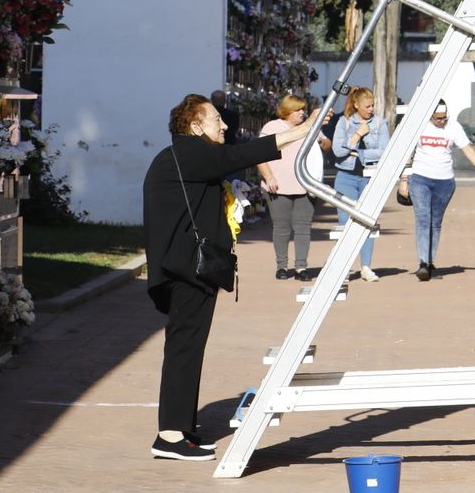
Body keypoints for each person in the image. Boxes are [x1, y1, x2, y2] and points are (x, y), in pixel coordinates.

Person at [142, 93, 313, 462]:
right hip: (184, 270)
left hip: (189, 268)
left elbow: (232, 156)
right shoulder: (188, 152)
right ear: (195, 125)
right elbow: (238, 156)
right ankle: (170, 434)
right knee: (184, 347)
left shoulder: (190, 155)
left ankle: (181, 429)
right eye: (216, 119)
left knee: (189, 346)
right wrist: (298, 131)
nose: (224, 125)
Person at [398, 100, 475, 280]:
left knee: (436, 221)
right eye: (437, 118)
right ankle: (423, 262)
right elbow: (405, 153)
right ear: (430, 115)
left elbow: (467, 149)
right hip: (420, 177)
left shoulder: (453, 127)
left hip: (444, 181)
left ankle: (430, 262)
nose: (441, 121)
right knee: (423, 218)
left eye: (444, 117)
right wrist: (403, 179)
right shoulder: (419, 125)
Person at [330, 86, 390, 281]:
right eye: (367, 106)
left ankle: (366, 267)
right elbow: (338, 152)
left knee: (367, 221)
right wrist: (357, 136)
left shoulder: (380, 123)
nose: (371, 109)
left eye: (372, 105)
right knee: (344, 223)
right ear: (356, 105)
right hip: (345, 176)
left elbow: (384, 151)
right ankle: (343, 268)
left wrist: (360, 153)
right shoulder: (344, 122)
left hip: (368, 177)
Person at [259, 94, 321, 280]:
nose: (302, 113)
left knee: (303, 227)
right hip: (278, 186)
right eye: (298, 110)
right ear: (286, 112)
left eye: (303, 109)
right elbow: (260, 154)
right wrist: (268, 176)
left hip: (305, 185)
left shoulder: (310, 127)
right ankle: (282, 266)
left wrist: (324, 142)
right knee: (281, 227)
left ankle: (301, 267)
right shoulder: (272, 127)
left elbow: (326, 145)